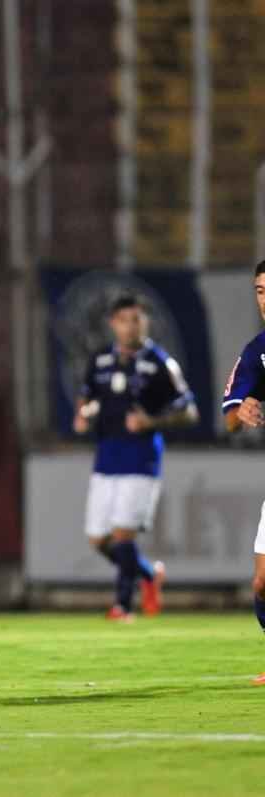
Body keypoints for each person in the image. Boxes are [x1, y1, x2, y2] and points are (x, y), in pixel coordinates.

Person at [72, 294, 198, 622]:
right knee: (98, 539)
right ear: (113, 323)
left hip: (141, 459)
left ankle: (123, 606)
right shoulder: (100, 359)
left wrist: (151, 421)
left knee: (123, 534)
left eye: (139, 318)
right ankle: (148, 575)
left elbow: (190, 411)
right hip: (106, 457)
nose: (134, 325)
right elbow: (87, 396)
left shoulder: (160, 362)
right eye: (127, 319)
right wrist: (82, 414)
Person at [220, 260, 265, 684]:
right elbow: (230, 414)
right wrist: (243, 410)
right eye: (260, 290)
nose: (264, 299)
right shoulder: (258, 350)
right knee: (262, 583)